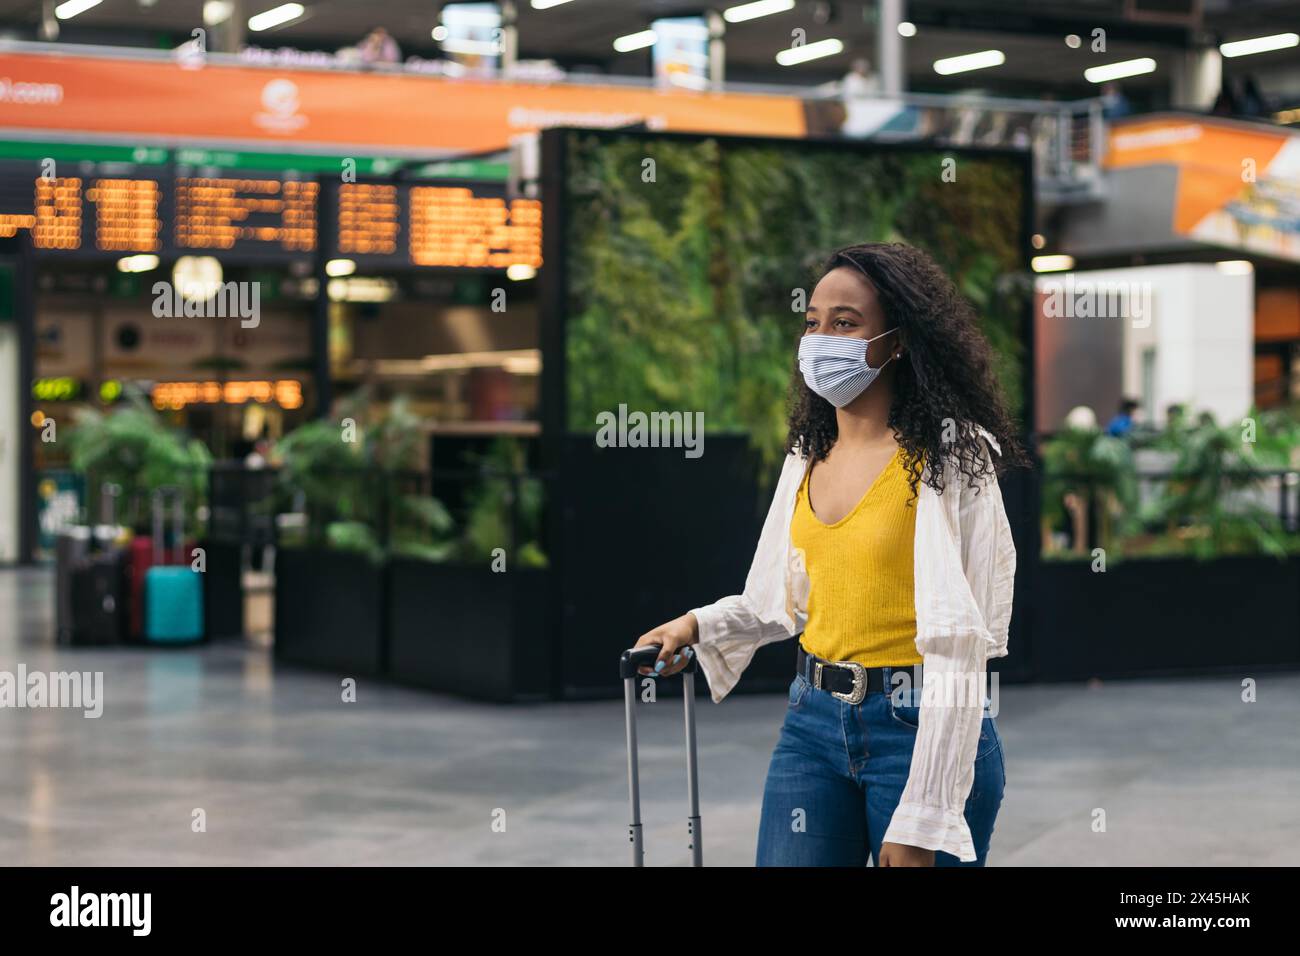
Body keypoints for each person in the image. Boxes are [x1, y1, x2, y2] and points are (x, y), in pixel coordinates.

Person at [633, 242, 1026, 866]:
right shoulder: (806, 456)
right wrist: (697, 626)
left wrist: (924, 814)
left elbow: (961, 643)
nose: (821, 338)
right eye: (812, 322)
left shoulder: (954, 456)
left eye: (845, 323)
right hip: (811, 724)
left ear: (896, 341)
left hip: (919, 727)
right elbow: (779, 599)